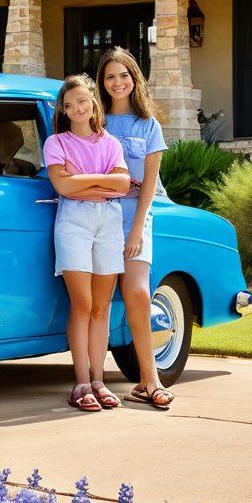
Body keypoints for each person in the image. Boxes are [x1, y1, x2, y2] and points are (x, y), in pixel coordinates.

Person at [43, 74, 130, 412]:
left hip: (109, 221)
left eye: (82, 101)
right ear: (63, 111)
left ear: (93, 101)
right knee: (82, 303)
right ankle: (81, 383)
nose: (77, 108)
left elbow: (123, 185)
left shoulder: (111, 143)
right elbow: (63, 187)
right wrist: (103, 182)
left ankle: (99, 380)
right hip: (74, 221)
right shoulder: (57, 143)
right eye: (69, 105)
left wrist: (79, 179)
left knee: (101, 306)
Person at [96, 46, 173, 410]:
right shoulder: (95, 123)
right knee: (97, 300)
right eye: (110, 76)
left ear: (134, 78)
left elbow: (150, 185)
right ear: (102, 82)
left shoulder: (149, 125)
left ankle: (149, 380)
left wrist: (136, 230)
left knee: (139, 293)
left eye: (123, 75)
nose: (117, 82)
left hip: (137, 217)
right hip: (99, 215)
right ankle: (93, 381)